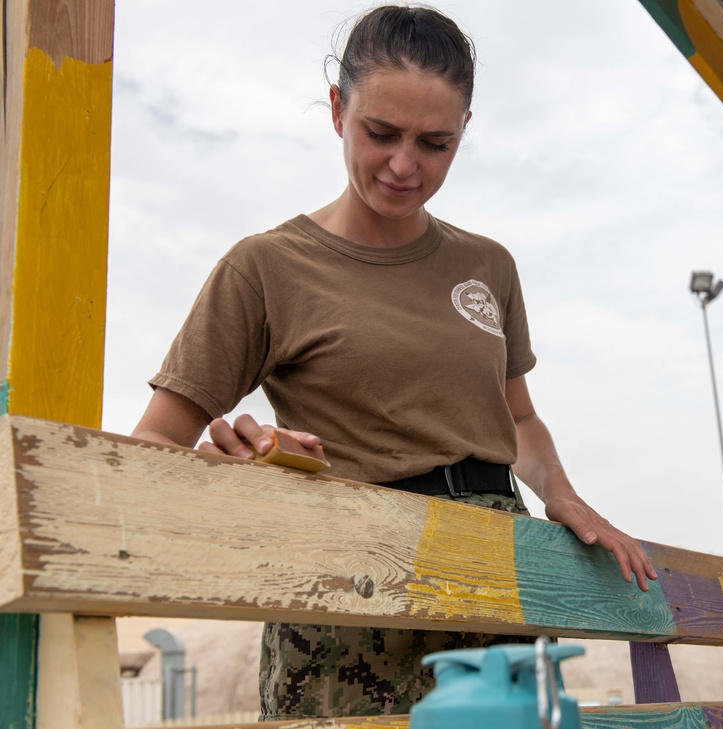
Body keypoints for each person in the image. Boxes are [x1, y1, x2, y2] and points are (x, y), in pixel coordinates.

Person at [132, 4, 656, 719]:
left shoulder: (489, 266)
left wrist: (559, 491)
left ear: (465, 130)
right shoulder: (264, 268)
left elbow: (518, 415)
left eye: (435, 143)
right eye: (381, 133)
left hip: (496, 584)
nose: (405, 165)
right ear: (338, 109)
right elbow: (155, 445)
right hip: (352, 588)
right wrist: (234, 479)